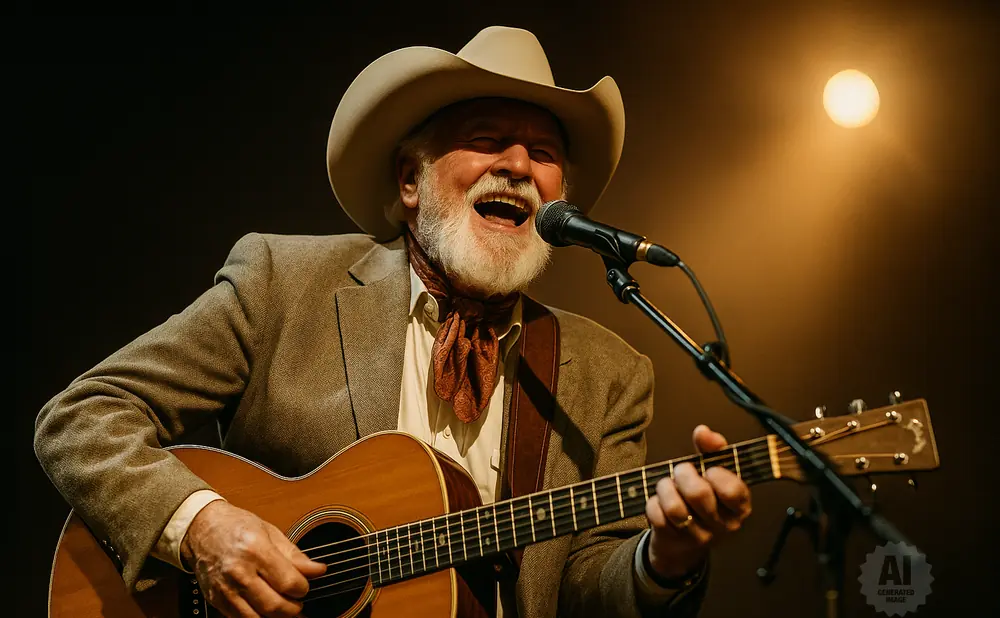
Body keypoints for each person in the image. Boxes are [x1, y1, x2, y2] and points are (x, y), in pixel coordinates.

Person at [34, 26, 752, 618]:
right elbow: (82, 418)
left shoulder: (609, 371)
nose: (518, 165)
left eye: (544, 153)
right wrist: (202, 528)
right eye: (488, 138)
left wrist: (666, 559)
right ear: (411, 180)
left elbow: (588, 589)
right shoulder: (284, 284)